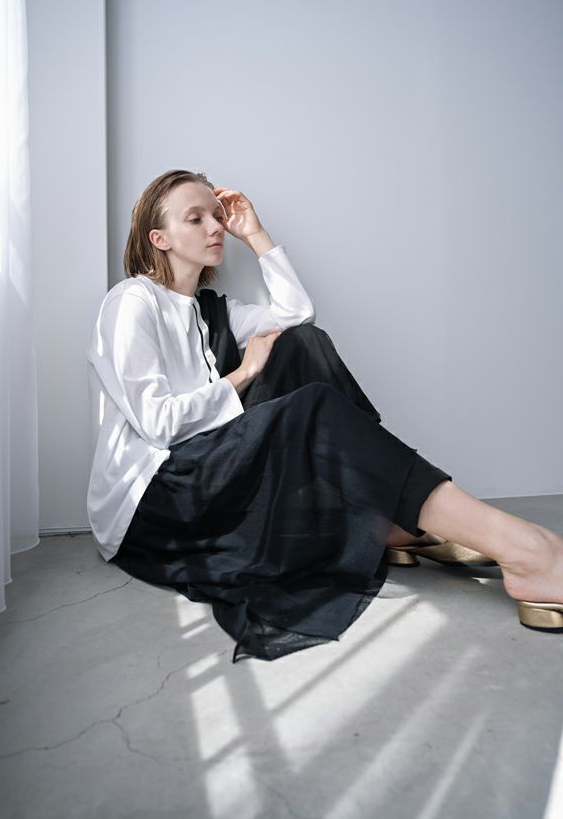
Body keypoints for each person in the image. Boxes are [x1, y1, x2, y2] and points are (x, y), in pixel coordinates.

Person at [85, 169, 563, 662]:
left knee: (302, 343)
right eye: (196, 218)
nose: (215, 227)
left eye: (217, 215)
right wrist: (243, 375)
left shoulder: (211, 311)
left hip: (206, 471)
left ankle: (387, 510)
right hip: (154, 504)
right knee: (311, 404)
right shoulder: (131, 302)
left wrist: (255, 233)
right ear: (158, 239)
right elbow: (158, 425)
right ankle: (525, 551)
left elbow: (297, 314)